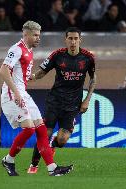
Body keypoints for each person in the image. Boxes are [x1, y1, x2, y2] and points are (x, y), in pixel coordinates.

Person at [0, 21, 73, 176]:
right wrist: (17, 93)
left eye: (39, 35)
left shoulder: (29, 51)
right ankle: (9, 159)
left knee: (41, 130)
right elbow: (3, 71)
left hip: (23, 93)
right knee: (29, 129)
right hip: (12, 94)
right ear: (25, 34)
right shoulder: (16, 49)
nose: (38, 38)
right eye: (35, 35)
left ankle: (52, 168)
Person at [27, 27, 97, 174]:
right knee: (45, 133)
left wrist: (87, 100)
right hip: (55, 101)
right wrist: (29, 77)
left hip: (73, 105)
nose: (73, 42)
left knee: (62, 139)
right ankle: (34, 164)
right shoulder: (57, 55)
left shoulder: (88, 58)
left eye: (75, 39)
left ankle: (52, 145)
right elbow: (41, 73)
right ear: (65, 40)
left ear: (80, 40)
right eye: (70, 39)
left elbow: (93, 79)